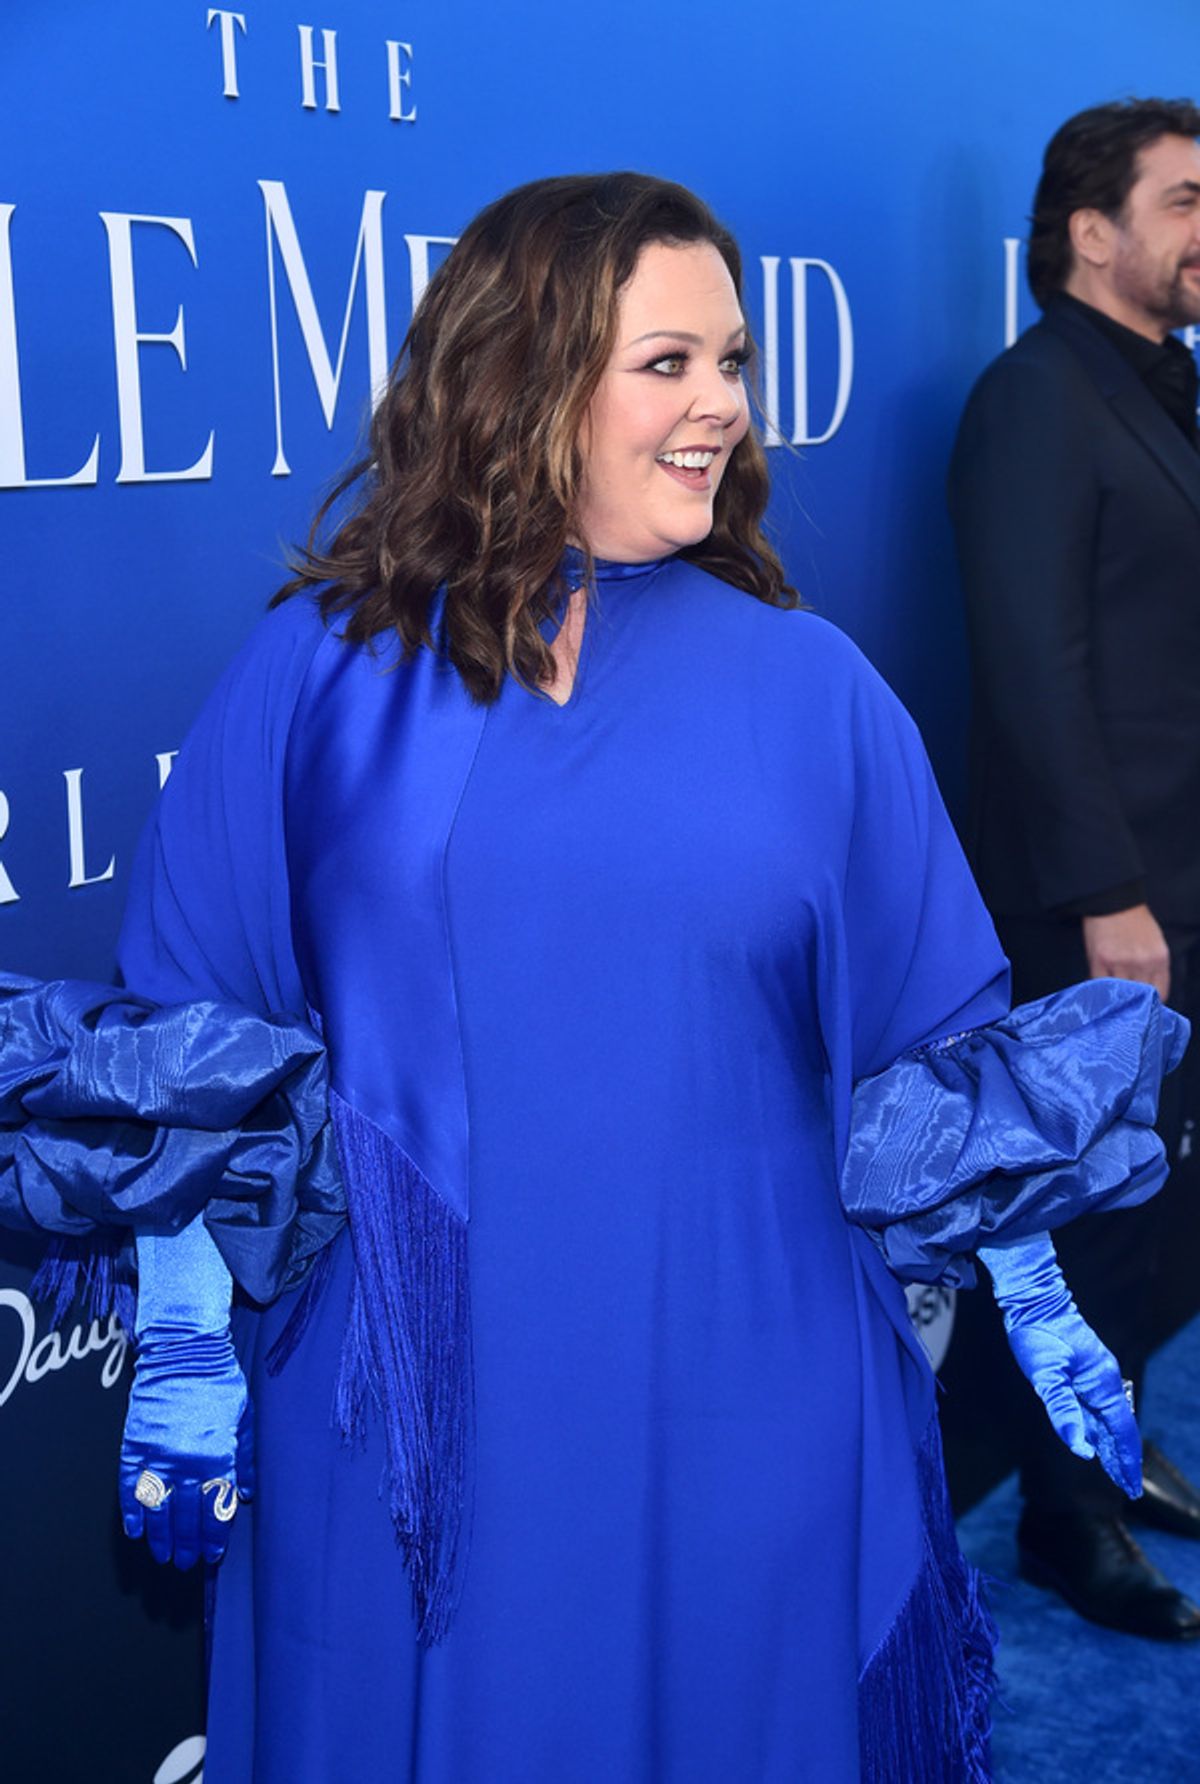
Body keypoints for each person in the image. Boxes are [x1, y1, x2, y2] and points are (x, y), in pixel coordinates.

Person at [0, 174, 1187, 1782]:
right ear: (525, 378)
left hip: (747, 1380)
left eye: (733, 362)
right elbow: (192, 1041)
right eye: (668, 363)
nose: (723, 407)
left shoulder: (815, 689)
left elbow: (935, 1049)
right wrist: (194, 1340)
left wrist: (1033, 1291)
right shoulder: (321, 671)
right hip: (412, 1416)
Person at [948, 98, 1200, 1641]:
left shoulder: (1159, 388)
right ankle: (1066, 1517)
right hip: (1106, 906)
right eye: (1187, 200)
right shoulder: (1035, 399)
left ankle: (1113, 1447)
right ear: (1090, 232)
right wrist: (1112, 897)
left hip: (1180, 886)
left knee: (1161, 1207)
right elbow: (1033, 670)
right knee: (1099, 1214)